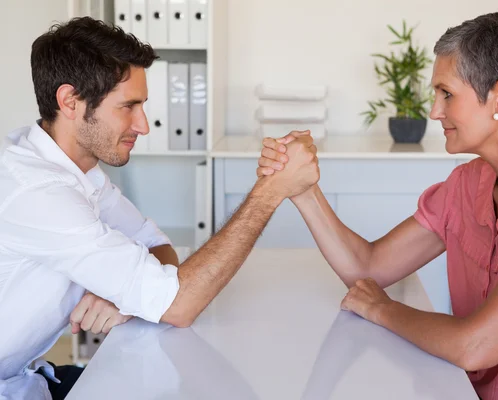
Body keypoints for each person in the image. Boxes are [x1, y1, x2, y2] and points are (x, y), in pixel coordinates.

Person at [257, 11, 498, 400]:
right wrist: (304, 190)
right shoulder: (466, 185)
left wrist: (382, 309)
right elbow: (367, 268)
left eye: (447, 94)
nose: (435, 111)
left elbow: (477, 346)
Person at [0, 17, 319, 400]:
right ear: (70, 101)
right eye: (128, 106)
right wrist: (270, 192)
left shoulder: (76, 171)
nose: (144, 125)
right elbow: (178, 305)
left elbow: (157, 246)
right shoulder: (40, 192)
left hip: (25, 380)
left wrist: (127, 296)